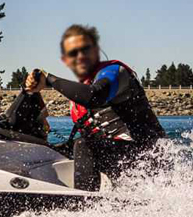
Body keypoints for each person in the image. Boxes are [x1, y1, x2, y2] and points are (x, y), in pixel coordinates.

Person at [25, 24, 165, 191]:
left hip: (151, 157)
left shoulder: (115, 73)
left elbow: (94, 96)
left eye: (86, 49)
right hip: (124, 161)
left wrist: (49, 79)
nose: (81, 56)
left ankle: (84, 207)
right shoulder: (79, 96)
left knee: (85, 144)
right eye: (73, 53)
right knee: (55, 152)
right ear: (66, 60)